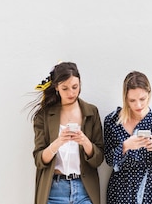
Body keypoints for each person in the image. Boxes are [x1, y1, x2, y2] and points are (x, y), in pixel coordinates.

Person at [28, 62, 104, 204]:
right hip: (54, 191)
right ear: (56, 87)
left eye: (75, 87)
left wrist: (85, 142)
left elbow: (99, 159)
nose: (71, 93)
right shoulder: (43, 115)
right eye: (65, 88)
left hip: (84, 189)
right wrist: (57, 143)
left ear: (80, 83)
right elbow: (39, 160)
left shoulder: (91, 112)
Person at [104, 71, 152, 204]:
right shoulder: (112, 120)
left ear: (149, 94)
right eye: (132, 100)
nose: (138, 105)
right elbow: (108, 160)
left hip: (148, 188)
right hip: (120, 189)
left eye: (142, 99)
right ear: (125, 98)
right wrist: (125, 146)